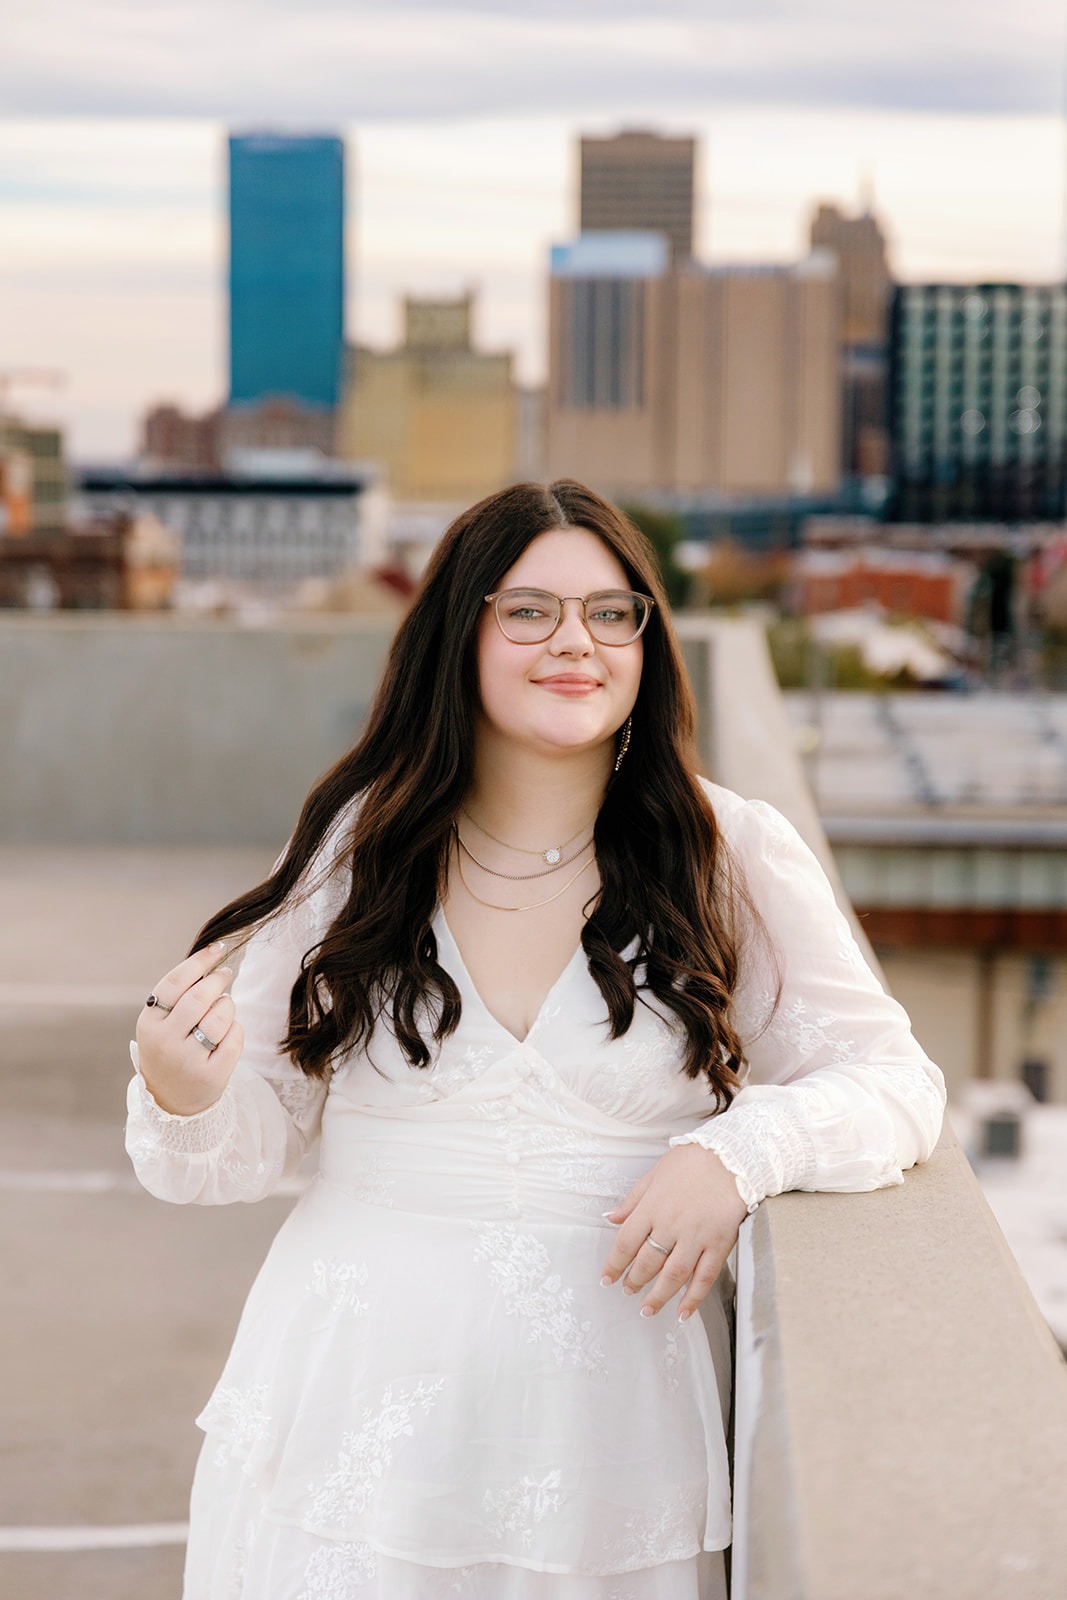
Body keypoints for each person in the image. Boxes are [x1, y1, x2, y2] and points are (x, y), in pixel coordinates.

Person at [126, 479, 945, 1600]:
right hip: (348, 1425)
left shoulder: (726, 853)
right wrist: (184, 1090)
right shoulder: (356, 851)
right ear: (457, 632)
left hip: (608, 1449)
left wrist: (735, 1155)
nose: (576, 642)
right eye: (529, 611)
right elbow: (250, 1142)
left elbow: (892, 1079)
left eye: (612, 614)